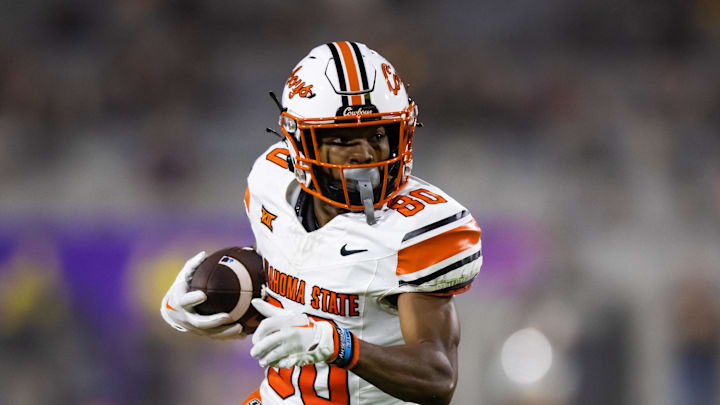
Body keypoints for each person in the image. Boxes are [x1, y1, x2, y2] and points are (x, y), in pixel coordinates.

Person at [160, 41, 483, 405]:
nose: (364, 153)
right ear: (299, 143)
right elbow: (299, 275)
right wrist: (201, 300)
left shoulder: (416, 230)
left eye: (378, 134)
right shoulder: (271, 183)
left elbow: (437, 377)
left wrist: (336, 344)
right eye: (343, 139)